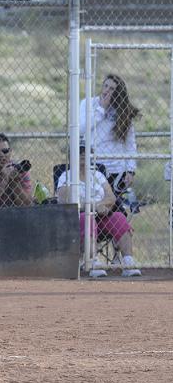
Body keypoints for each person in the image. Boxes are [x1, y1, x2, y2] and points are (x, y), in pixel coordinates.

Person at [57, 142, 141, 277]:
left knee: (119, 217)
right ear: (71, 156)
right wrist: (94, 206)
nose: (83, 155)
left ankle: (128, 262)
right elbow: (65, 200)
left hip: (101, 217)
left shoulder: (97, 175)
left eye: (85, 152)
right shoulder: (66, 176)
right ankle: (92, 262)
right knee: (88, 218)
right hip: (78, 219)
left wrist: (102, 205)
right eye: (79, 152)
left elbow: (111, 197)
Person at [79, 74, 140, 196]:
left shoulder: (123, 111)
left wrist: (130, 170)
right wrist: (101, 109)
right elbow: (81, 129)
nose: (107, 90)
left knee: (114, 207)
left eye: (112, 89)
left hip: (117, 169)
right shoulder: (88, 103)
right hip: (93, 166)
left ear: (118, 92)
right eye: (105, 86)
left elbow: (130, 144)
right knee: (95, 204)